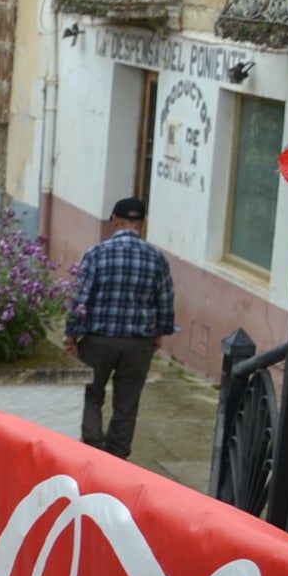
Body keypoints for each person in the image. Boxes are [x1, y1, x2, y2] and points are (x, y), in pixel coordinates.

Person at [66, 196, 175, 458]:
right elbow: (165, 301)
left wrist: (70, 337)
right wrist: (158, 334)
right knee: (127, 403)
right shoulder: (157, 259)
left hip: (98, 340)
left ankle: (94, 447)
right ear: (143, 224)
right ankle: (117, 457)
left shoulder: (96, 254)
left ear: (115, 221)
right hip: (138, 343)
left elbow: (81, 299)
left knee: (90, 395)